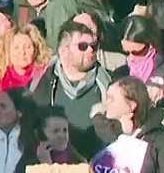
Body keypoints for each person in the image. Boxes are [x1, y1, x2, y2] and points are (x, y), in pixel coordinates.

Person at [30, 21, 110, 155]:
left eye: (94, 46)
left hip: (94, 163)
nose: (90, 50)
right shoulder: (43, 83)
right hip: (53, 164)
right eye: (82, 46)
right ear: (64, 51)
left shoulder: (107, 85)